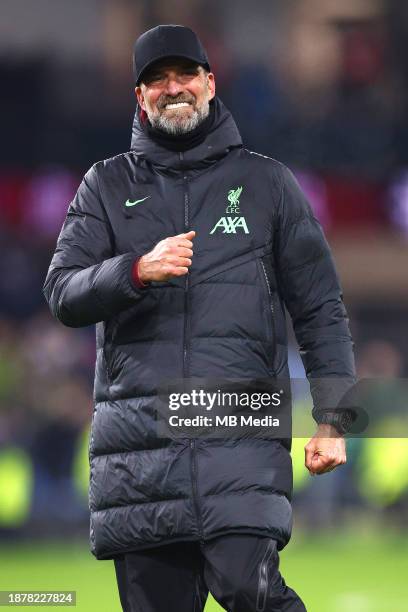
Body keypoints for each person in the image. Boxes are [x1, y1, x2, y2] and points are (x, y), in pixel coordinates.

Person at [43, 24, 356, 612]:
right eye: (155, 80)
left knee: (250, 591)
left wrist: (335, 417)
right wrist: (135, 271)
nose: (172, 88)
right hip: (141, 454)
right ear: (140, 98)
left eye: (184, 74)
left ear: (210, 83)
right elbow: (62, 292)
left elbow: (320, 308)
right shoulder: (104, 186)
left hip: (237, 436)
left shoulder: (268, 184)